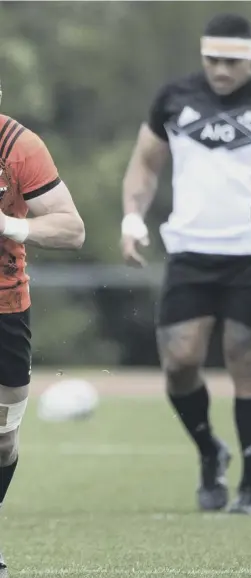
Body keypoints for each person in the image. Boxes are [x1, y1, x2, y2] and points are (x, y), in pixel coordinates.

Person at [121, 13, 251, 515]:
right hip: (190, 251)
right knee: (179, 363)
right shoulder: (173, 98)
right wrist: (133, 216)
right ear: (202, 55)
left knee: (246, 364)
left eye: (232, 61)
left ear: (250, 58)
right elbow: (145, 163)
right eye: (213, 59)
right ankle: (209, 452)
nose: (221, 69)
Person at [0, 96, 85, 573]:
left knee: (3, 440)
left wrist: (10, 224)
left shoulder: (19, 146)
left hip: (5, 305)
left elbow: (73, 230)